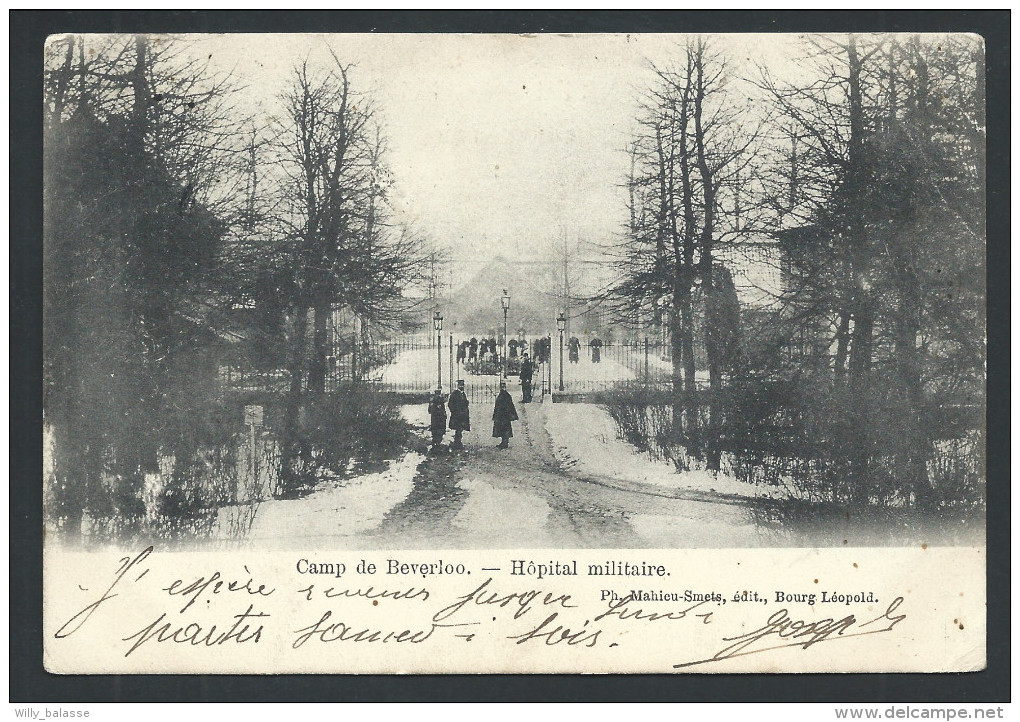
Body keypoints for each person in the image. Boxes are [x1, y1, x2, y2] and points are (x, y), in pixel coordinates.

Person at [492, 381, 519, 449]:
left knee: (504, 429)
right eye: (502, 387)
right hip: (502, 416)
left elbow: (508, 406)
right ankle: (504, 442)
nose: (502, 388)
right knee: (502, 429)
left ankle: (505, 443)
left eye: (503, 387)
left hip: (504, 416)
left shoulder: (505, 395)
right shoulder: (503, 394)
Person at [448, 379, 470, 450]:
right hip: (457, 415)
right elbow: (450, 404)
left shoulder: (463, 393)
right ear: (458, 386)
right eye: (460, 385)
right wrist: (455, 412)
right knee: (458, 428)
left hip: (463, 415)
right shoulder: (454, 394)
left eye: (462, 385)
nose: (461, 386)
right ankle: (457, 443)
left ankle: (458, 442)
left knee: (460, 429)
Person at [427, 387, 447, 453]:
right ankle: (436, 445)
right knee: (438, 431)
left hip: (436, 418)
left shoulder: (433, 400)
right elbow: (430, 410)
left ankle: (436, 444)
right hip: (438, 418)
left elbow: (429, 410)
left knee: (436, 431)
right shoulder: (437, 400)